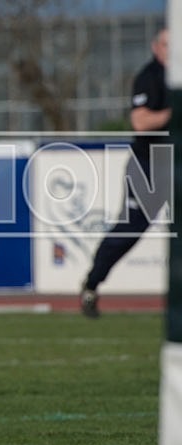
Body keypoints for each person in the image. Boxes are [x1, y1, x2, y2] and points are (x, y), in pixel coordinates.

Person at [80, 27, 171, 318]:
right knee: (129, 231)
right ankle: (92, 285)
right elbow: (140, 122)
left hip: (177, 163)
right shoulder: (150, 77)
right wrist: (174, 111)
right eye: (168, 44)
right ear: (156, 47)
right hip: (150, 166)